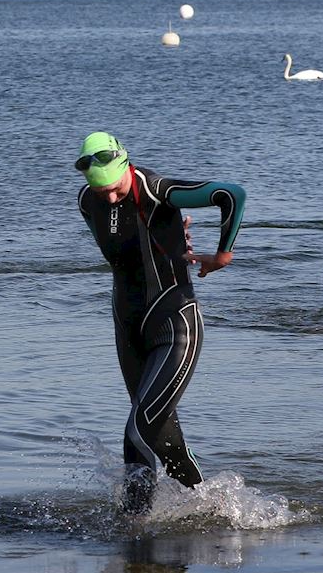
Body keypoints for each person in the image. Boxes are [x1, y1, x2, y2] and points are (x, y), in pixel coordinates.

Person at [75, 132, 246, 515]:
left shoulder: (158, 190)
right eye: (102, 192)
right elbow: (120, 251)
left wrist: (221, 254)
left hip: (175, 323)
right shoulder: (88, 201)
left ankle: (133, 532)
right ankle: (213, 512)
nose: (111, 197)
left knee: (138, 430)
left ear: (126, 166)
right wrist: (167, 237)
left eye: (116, 188)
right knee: (163, 437)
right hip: (128, 324)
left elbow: (231, 195)